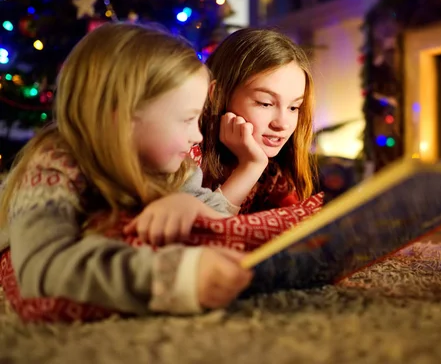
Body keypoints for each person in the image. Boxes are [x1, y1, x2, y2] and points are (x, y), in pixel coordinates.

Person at [0, 22, 254, 316]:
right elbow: (41, 267)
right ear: (121, 117)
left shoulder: (173, 168)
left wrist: (190, 204)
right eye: (187, 120)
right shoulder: (54, 164)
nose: (197, 136)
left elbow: (221, 222)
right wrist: (173, 276)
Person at [198, 28, 318, 214]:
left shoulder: (274, 176)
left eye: (294, 108)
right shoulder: (183, 155)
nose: (282, 124)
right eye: (265, 103)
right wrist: (250, 166)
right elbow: (201, 231)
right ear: (218, 94)